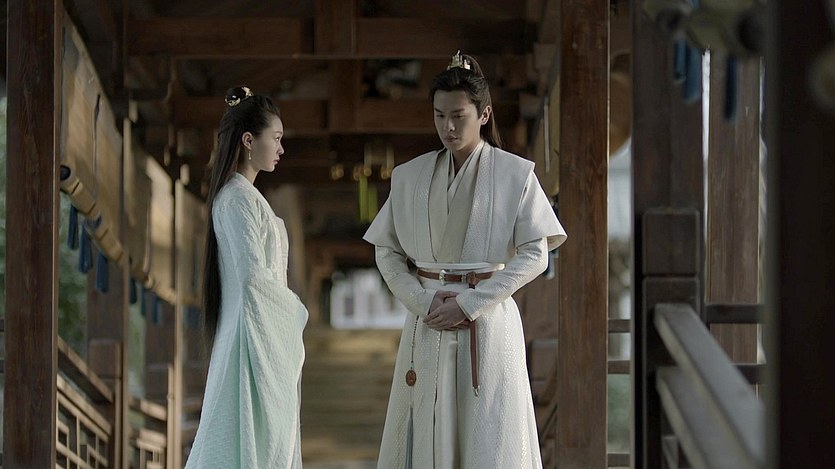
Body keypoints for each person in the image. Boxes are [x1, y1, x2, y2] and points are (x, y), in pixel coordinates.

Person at [363, 52, 567, 469]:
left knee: (489, 429)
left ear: (484, 114)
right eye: (440, 116)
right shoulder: (410, 176)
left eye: (459, 116)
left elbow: (536, 252)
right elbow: (387, 251)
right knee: (427, 424)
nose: (448, 127)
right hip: (430, 314)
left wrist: (472, 302)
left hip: (487, 320)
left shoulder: (515, 174)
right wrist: (422, 300)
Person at [186, 86, 308, 469]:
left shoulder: (247, 198)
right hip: (250, 342)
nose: (281, 149)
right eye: (276, 138)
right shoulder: (236, 199)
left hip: (257, 334)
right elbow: (253, 279)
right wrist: (295, 311)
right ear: (249, 140)